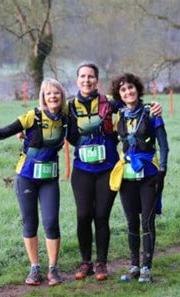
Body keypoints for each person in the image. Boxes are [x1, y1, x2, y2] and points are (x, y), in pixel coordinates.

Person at [0, 78, 67, 286]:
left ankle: (53, 269)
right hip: (26, 177)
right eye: (48, 93)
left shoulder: (65, 118)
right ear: (43, 97)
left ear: (62, 96)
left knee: (51, 222)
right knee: (30, 222)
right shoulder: (32, 116)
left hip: (49, 179)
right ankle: (34, 268)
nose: (53, 96)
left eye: (57, 93)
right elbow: (4, 132)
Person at [66, 62, 163, 281]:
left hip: (108, 169)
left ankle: (101, 263)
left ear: (96, 80)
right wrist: (24, 134)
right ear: (77, 80)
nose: (86, 80)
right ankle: (85, 262)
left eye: (91, 76)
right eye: (82, 76)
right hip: (82, 168)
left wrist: (155, 107)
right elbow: (56, 121)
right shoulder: (69, 106)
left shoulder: (110, 103)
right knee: (83, 215)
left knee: (101, 216)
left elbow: (134, 105)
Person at [109, 73, 169, 283]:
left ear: (138, 89)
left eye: (131, 88)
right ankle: (134, 266)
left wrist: (163, 168)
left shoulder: (151, 112)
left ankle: (146, 267)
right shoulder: (119, 115)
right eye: (123, 90)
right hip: (127, 175)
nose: (128, 92)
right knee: (131, 222)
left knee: (147, 221)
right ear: (120, 94)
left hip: (149, 175)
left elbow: (164, 143)